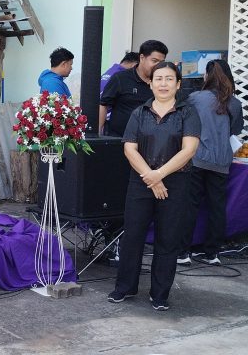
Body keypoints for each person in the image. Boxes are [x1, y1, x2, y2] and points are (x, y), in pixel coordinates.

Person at [108, 62, 201, 311]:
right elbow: (129, 149)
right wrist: (151, 177)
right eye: (158, 78)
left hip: (176, 182)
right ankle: (125, 287)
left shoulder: (188, 113)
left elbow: (189, 150)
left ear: (178, 84)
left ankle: (160, 294)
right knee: (133, 235)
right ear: (150, 83)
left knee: (168, 238)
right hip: (141, 181)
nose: (163, 84)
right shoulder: (139, 113)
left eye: (169, 79)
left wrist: (159, 175)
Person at [178, 60, 244, 266]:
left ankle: (183, 253)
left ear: (207, 76)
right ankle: (212, 253)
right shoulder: (235, 103)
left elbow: (183, 121)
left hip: (196, 158)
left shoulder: (196, 98)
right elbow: (235, 130)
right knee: (217, 207)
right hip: (222, 161)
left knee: (190, 206)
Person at [100, 40, 168, 137]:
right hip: (119, 139)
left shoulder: (163, 84)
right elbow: (103, 105)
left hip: (150, 141)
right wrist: (98, 134)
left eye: (161, 62)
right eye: (154, 61)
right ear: (142, 58)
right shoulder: (121, 78)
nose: (158, 66)